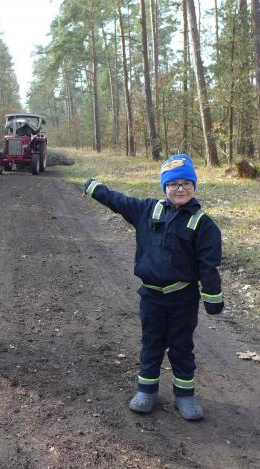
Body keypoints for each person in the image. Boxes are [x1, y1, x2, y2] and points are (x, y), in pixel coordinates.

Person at [83, 154, 223, 421]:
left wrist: (212, 297)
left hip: (183, 298)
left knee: (181, 346)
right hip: (151, 297)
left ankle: (184, 396)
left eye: (186, 183)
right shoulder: (147, 210)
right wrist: (94, 188)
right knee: (151, 343)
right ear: (164, 187)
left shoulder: (203, 225)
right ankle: (146, 391)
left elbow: (209, 265)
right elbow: (118, 201)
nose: (180, 189)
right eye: (173, 184)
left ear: (194, 186)